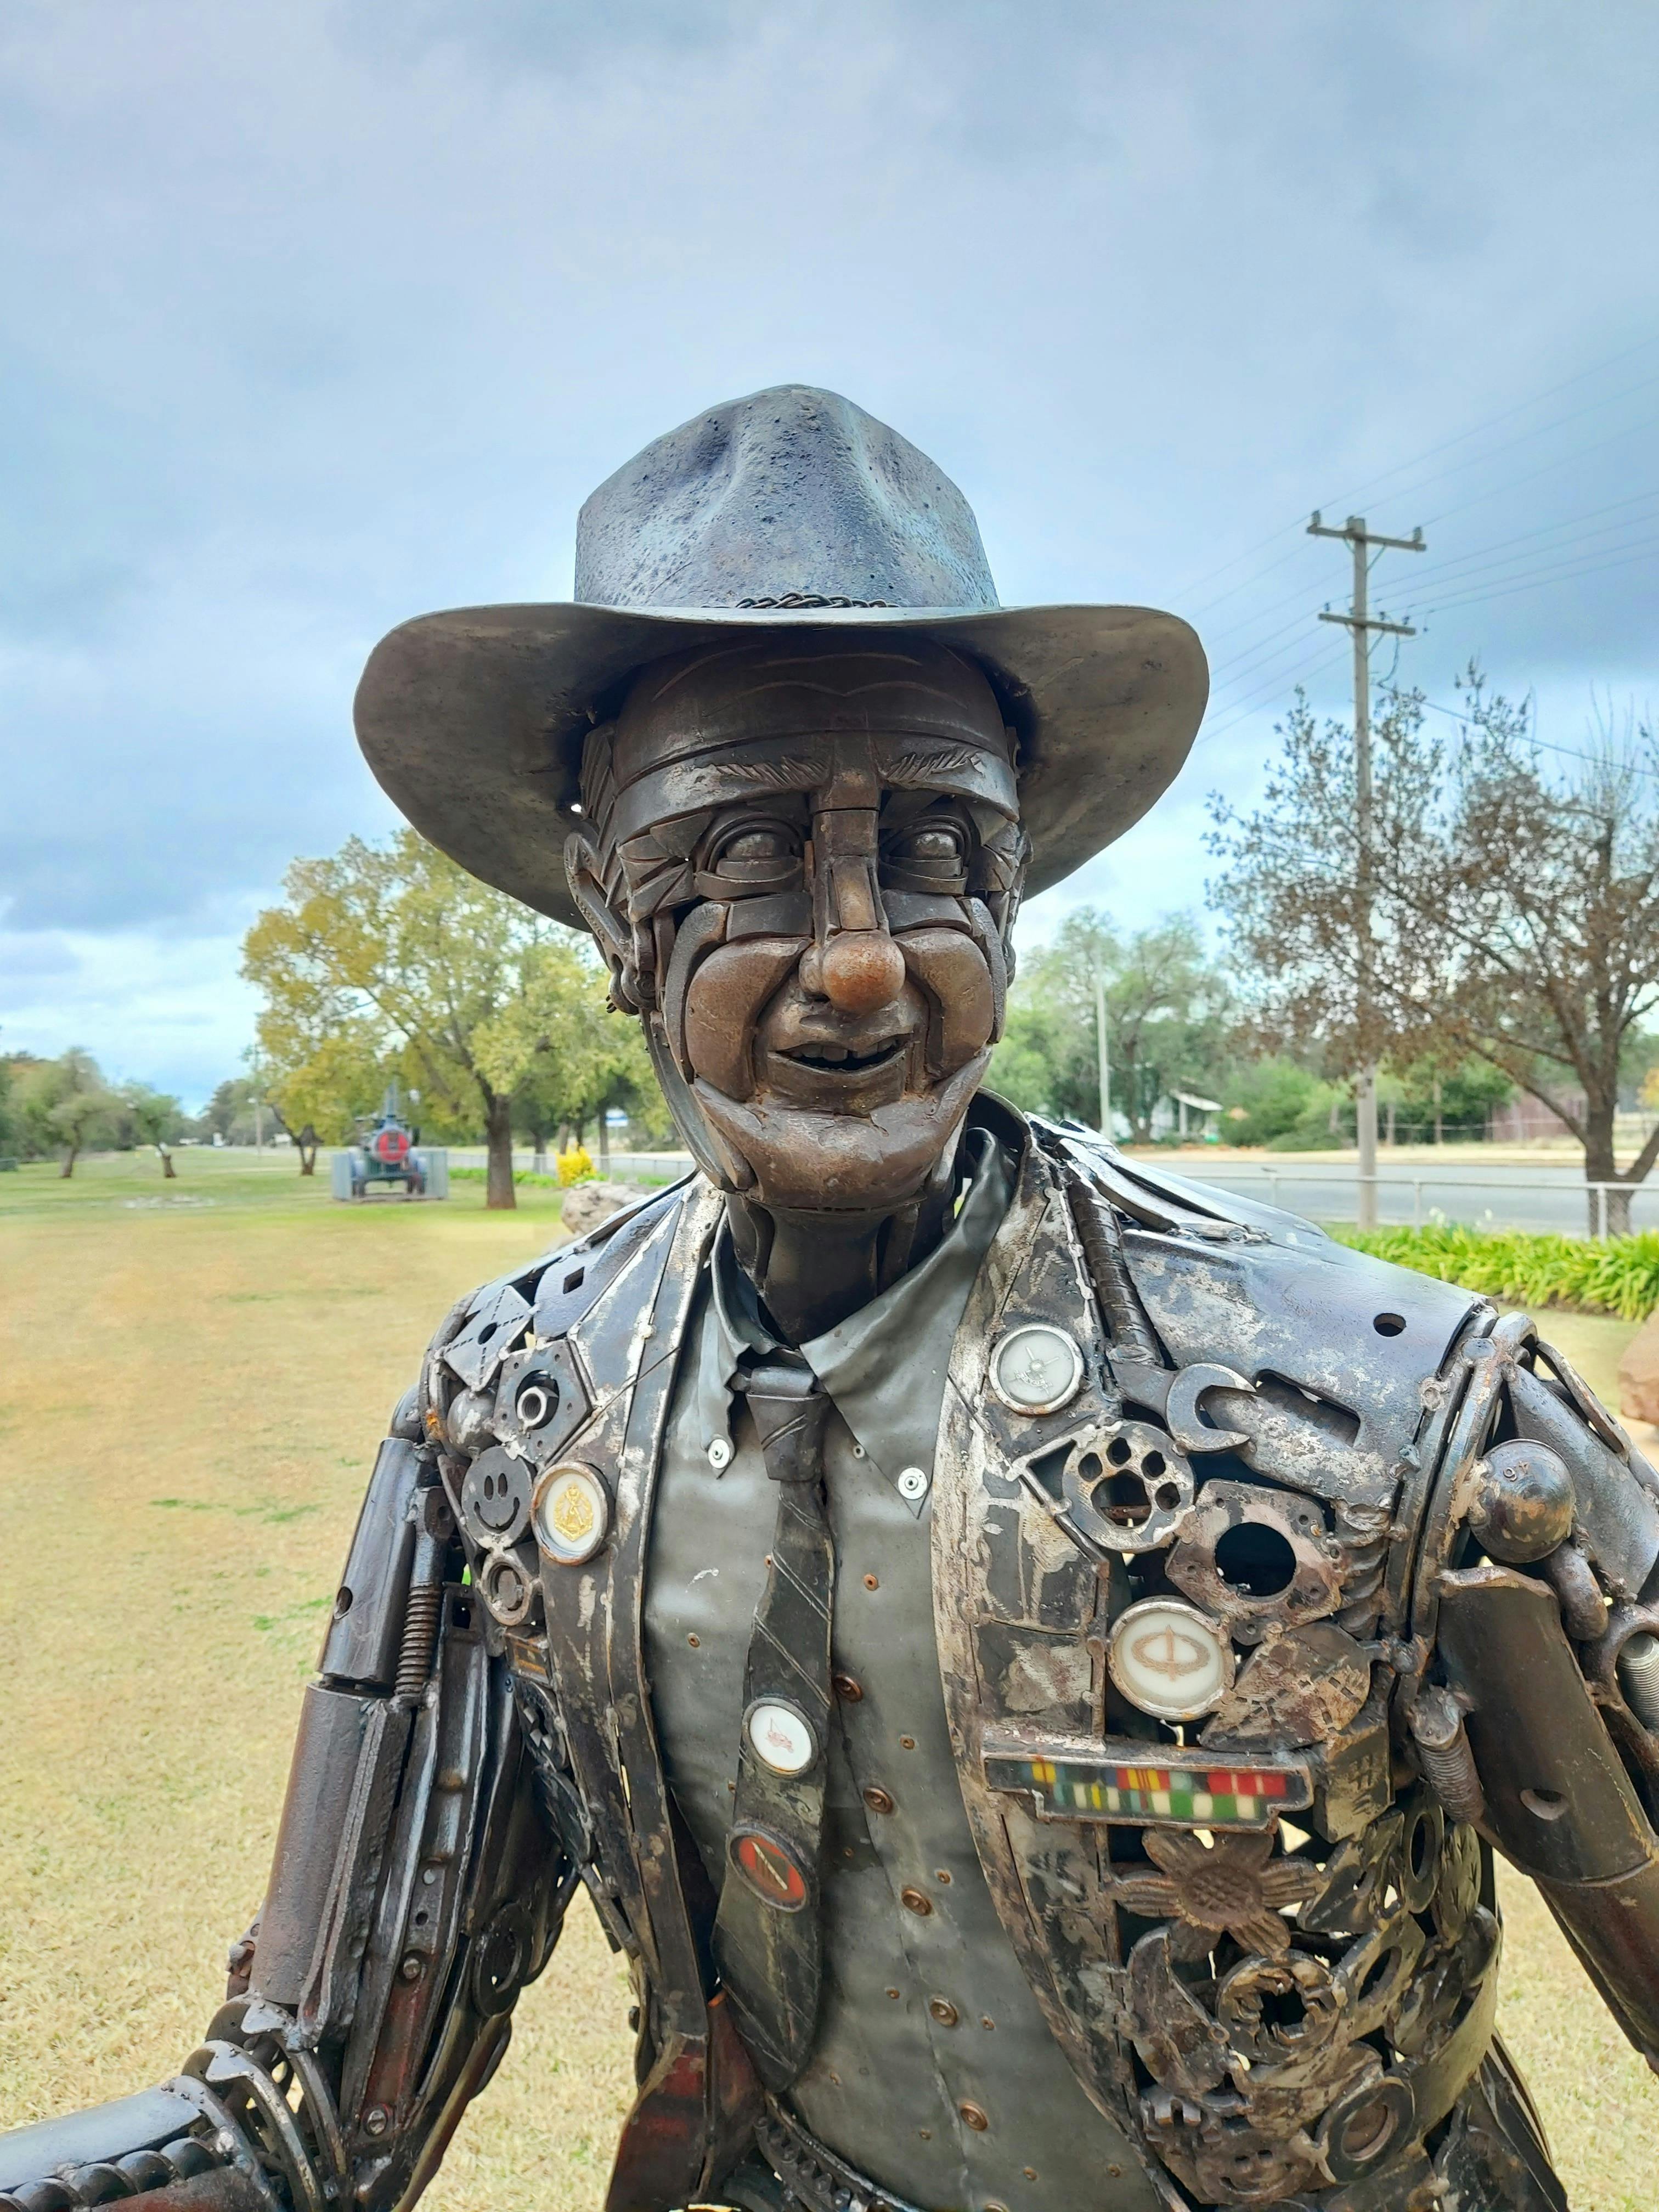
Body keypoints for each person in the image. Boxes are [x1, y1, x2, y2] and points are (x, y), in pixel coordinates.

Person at [5, 385, 1656, 2212]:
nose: (863, 958)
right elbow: (310, 2123)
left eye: (941, 855)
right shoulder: (511, 1413)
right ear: (604, 908)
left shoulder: (1409, 1417)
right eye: (745, 858)